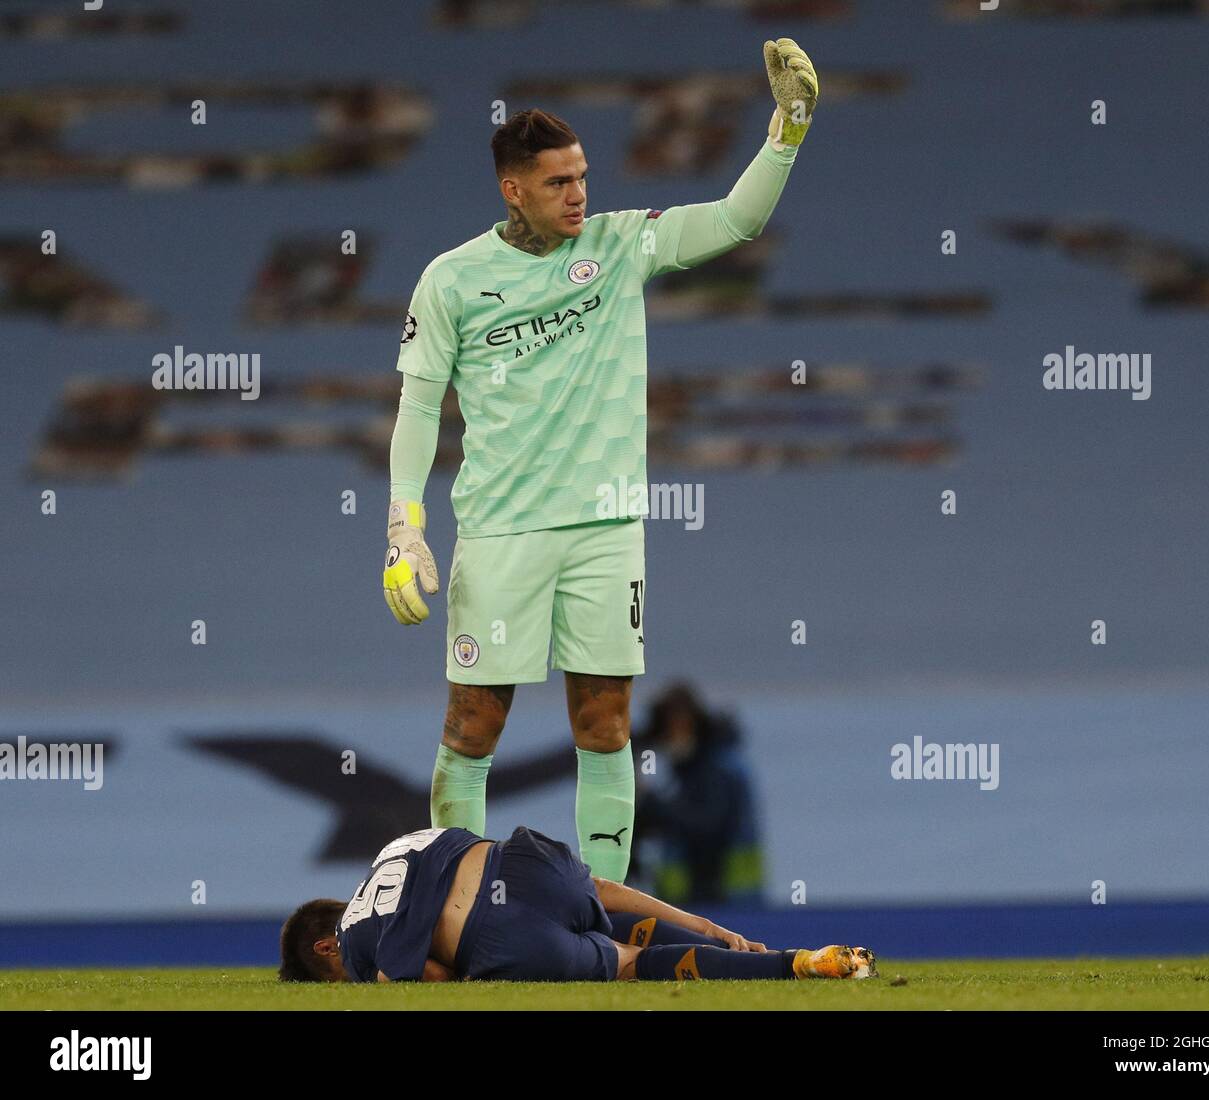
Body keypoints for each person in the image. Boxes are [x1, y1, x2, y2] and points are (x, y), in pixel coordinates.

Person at [377, 40, 820, 884]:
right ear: (513, 189)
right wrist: (404, 524)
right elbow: (418, 405)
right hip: (504, 529)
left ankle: (606, 908)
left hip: (606, 527)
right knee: (472, 729)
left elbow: (737, 219)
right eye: (557, 182)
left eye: (582, 176)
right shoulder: (453, 280)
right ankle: (458, 903)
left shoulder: (622, 247)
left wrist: (787, 132)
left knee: (607, 722)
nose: (579, 194)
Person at [279, 825, 876, 983]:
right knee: (602, 910)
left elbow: (418, 972)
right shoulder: (395, 850)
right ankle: (729, 941)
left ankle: (801, 961)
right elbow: (597, 889)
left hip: (500, 935)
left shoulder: (355, 943)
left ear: (325, 944)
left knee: (633, 964)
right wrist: (700, 922)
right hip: (526, 861)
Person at [634, 682, 765, 906]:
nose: (666, 743)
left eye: (668, 733)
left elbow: (704, 825)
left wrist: (650, 804)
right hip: (713, 902)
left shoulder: (719, 769)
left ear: (684, 722)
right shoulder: (695, 770)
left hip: (726, 902)